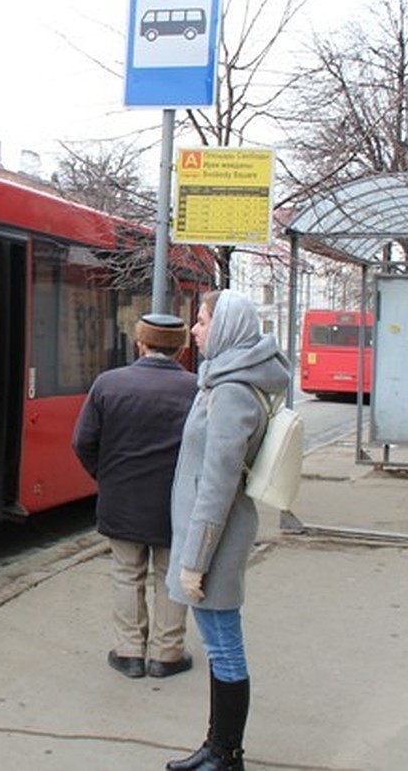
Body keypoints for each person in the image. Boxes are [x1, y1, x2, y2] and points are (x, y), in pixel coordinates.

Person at [164, 290, 290, 771]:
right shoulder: (222, 380)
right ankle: (215, 747)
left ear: (227, 326)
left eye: (201, 320)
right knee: (219, 648)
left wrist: (194, 562)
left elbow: (217, 485)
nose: (194, 330)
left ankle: (227, 754)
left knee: (224, 648)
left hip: (214, 542)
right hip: (209, 537)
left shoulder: (233, 391)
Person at [72, 312, 199, 680]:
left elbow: (82, 441)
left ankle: (129, 652)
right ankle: (167, 654)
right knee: (169, 576)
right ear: (179, 349)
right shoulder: (196, 388)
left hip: (121, 499)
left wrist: (106, 476)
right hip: (174, 505)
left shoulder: (108, 384)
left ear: (140, 343)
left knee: (126, 575)